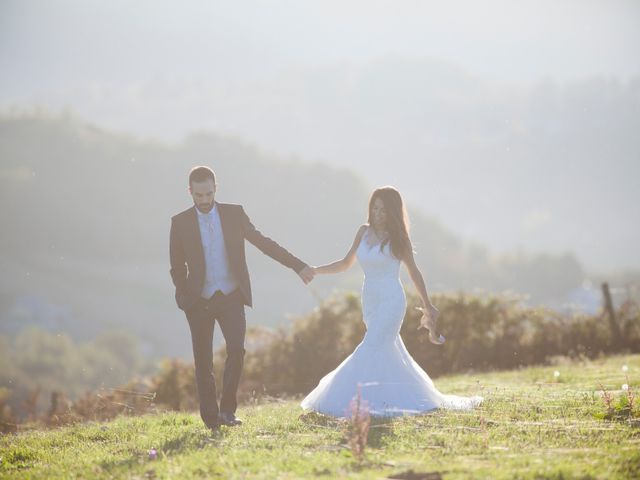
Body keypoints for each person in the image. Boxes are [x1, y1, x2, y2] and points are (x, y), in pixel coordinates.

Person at [301, 186, 482, 417]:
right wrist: (317, 270)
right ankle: (392, 398)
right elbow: (346, 263)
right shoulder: (363, 232)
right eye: (375, 208)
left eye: (383, 210)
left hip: (391, 300)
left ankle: (347, 402)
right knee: (386, 351)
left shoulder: (399, 239)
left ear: (393, 212)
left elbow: (414, 273)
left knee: (371, 346)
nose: (378, 214)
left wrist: (428, 305)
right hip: (370, 301)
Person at [170, 166, 315, 429]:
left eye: (209, 194)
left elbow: (263, 242)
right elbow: (177, 266)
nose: (204, 200)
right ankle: (211, 419)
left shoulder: (234, 214)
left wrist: (298, 265)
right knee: (203, 362)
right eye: (199, 195)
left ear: (217, 188)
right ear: (190, 192)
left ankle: (227, 411)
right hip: (198, 302)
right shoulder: (179, 222)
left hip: (231, 296)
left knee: (236, 350)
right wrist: (184, 297)